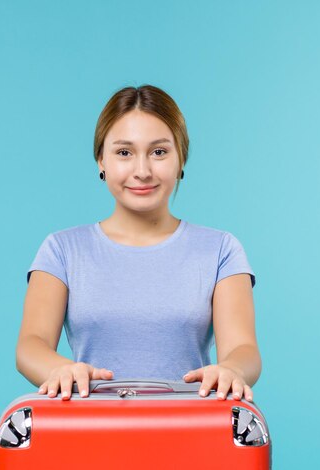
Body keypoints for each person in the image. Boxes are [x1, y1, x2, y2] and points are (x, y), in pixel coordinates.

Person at [16, 84, 261, 403]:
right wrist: (59, 369)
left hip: (191, 435)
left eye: (159, 152)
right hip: (90, 435)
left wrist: (232, 370)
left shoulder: (221, 250)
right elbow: (30, 346)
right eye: (124, 153)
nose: (142, 171)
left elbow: (243, 349)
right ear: (101, 161)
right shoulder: (61, 250)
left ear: (180, 159)